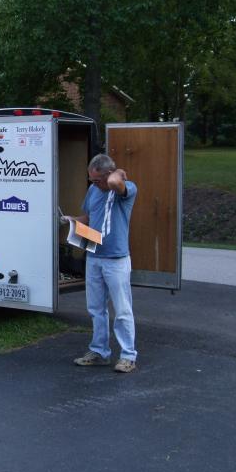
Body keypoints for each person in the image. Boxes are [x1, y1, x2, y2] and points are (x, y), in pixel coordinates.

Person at [67, 153, 138, 373]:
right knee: (96, 308)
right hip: (94, 256)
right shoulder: (93, 191)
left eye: (98, 180)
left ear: (109, 174)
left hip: (116, 259)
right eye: (91, 180)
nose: (94, 184)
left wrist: (117, 173)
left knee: (122, 309)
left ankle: (128, 356)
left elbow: (116, 182)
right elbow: (88, 218)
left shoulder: (126, 189)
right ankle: (99, 352)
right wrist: (68, 221)